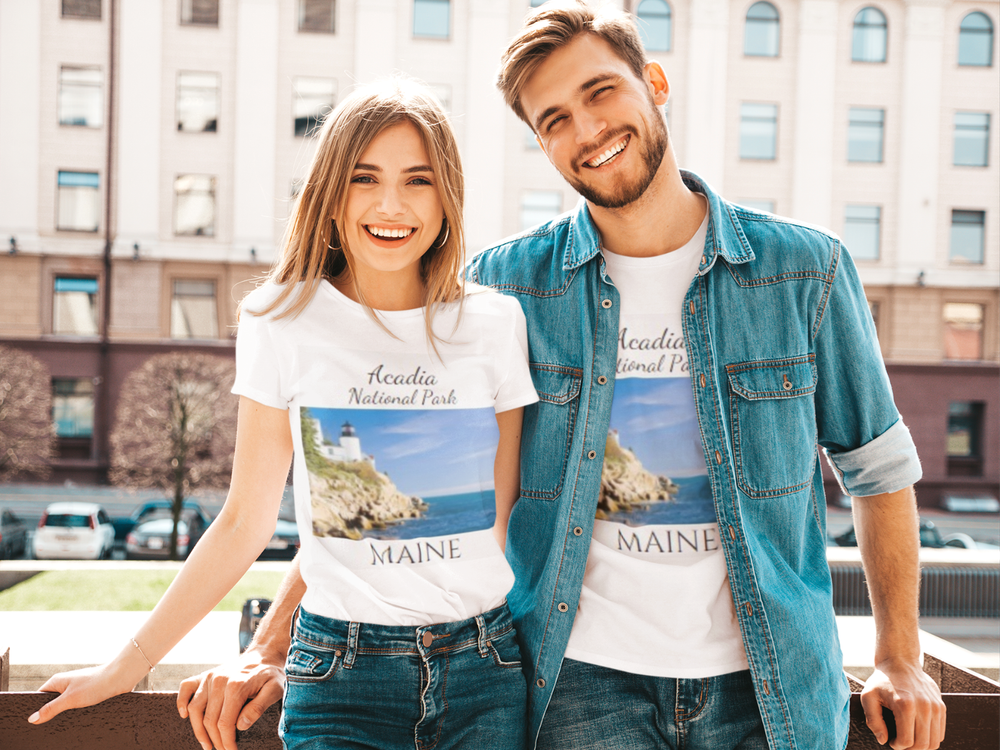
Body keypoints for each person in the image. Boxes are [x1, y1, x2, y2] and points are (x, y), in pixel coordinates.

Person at [177, 2, 948, 749]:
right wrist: (273, 646)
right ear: (541, 147)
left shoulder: (804, 272)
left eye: (600, 92)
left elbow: (877, 471)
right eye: (553, 121)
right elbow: (383, 499)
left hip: (772, 685)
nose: (587, 131)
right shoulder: (507, 290)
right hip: (582, 687)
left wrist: (898, 658)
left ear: (655, 83)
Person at [27, 78, 539, 750]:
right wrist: (130, 662)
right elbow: (245, 520)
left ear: (447, 197)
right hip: (341, 678)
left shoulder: (495, 323)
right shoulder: (282, 319)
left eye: (418, 180)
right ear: (330, 195)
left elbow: (505, 517)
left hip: (486, 669)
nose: (391, 204)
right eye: (364, 178)